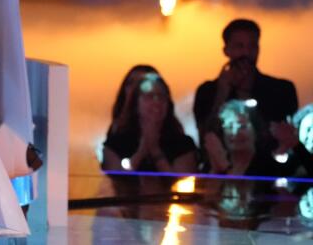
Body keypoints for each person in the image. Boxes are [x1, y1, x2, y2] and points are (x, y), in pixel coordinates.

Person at [193, 19, 299, 157]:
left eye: (252, 46)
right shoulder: (207, 92)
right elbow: (205, 138)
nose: (246, 52)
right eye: (239, 46)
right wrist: (221, 94)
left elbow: (287, 136)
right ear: (226, 50)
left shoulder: (282, 90)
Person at [101, 69, 197, 173]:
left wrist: (155, 151)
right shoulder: (116, 144)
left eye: (161, 96)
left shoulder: (182, 145)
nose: (157, 102)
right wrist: (140, 153)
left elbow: (181, 180)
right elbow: (117, 178)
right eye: (149, 96)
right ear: (136, 104)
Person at [204, 100, 312, 177]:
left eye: (242, 126)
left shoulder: (270, 167)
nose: (235, 132)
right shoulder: (211, 165)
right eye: (229, 126)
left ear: (255, 131)